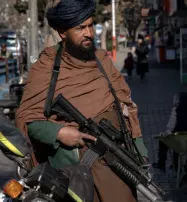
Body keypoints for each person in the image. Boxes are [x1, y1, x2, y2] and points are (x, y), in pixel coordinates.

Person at [15, 0, 148, 201]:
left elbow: (126, 109)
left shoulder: (102, 61)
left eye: (90, 25)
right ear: (62, 33)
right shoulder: (47, 67)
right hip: (74, 175)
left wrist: (142, 155)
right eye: (80, 28)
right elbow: (28, 119)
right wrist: (58, 132)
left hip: (117, 166)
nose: (89, 33)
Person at [152, 92, 187, 172]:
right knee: (178, 141)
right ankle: (175, 165)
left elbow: (171, 125)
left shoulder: (176, 110)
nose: (174, 100)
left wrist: (166, 133)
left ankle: (161, 163)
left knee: (164, 140)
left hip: (179, 139)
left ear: (179, 100)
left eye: (175, 99)